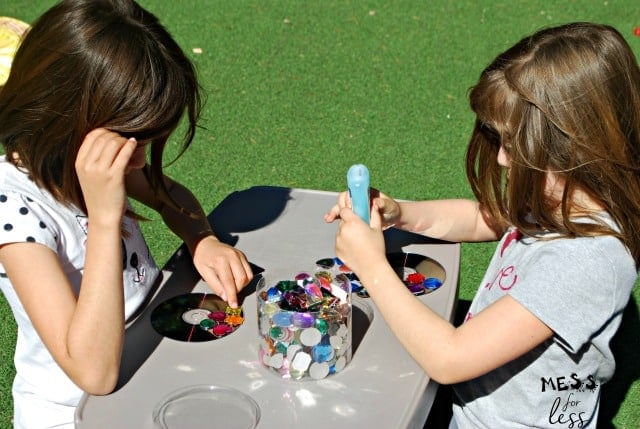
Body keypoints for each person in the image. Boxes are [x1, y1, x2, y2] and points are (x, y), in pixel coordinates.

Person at [325, 22, 640, 428]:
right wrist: (400, 213)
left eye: (513, 143)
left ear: (573, 147)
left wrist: (371, 266)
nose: (504, 159)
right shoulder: (563, 194)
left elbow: (449, 358)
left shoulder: (586, 262)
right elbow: (483, 217)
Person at [0, 1, 254, 428]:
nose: (138, 162)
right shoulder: (15, 211)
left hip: (150, 368)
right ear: (66, 115)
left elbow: (168, 192)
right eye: (132, 141)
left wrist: (200, 238)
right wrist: (103, 219)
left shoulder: (91, 157)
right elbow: (93, 373)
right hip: (77, 414)